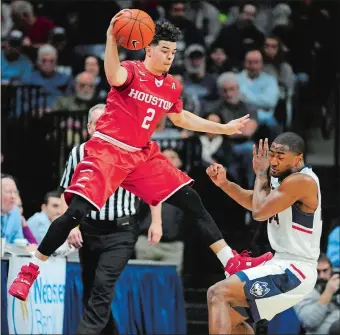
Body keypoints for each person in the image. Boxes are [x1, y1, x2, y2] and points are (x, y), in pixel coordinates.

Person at [9, 15, 273, 302]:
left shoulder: (171, 85)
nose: (170, 57)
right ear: (149, 49)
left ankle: (229, 262)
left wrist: (222, 127)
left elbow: (181, 117)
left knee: (191, 199)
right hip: (108, 150)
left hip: (140, 154)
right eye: (165, 51)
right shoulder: (130, 71)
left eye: (174, 52)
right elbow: (112, 75)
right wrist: (111, 37)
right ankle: (30, 270)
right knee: (75, 213)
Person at [206, 132, 322, 334]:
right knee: (228, 317)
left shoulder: (302, 181)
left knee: (218, 293)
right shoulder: (282, 181)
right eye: (272, 154)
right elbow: (254, 201)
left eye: (280, 156)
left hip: (295, 269)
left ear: (298, 158)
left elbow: (259, 213)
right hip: (281, 264)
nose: (273, 161)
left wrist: (260, 174)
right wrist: (225, 184)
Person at [62, 103, 163, 334]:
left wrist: (156, 222)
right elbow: (69, 192)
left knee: (103, 284)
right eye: (99, 124)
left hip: (122, 231)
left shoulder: (134, 151)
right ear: (89, 128)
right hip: (89, 228)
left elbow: (154, 189)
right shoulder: (79, 152)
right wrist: (72, 225)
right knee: (90, 291)